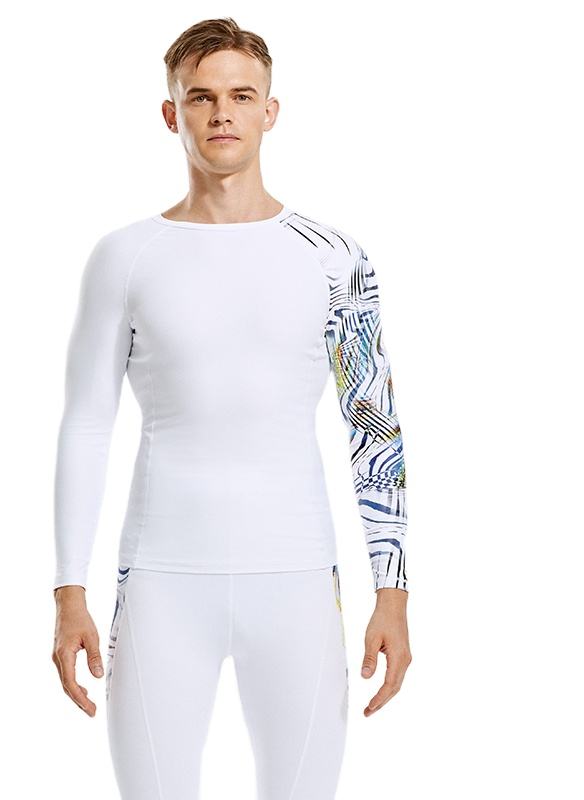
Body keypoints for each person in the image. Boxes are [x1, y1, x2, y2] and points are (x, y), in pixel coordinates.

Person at [50, 17, 412, 799]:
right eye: (202, 97)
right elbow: (86, 423)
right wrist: (69, 588)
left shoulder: (334, 257)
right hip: (161, 582)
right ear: (171, 113)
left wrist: (393, 589)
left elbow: (372, 424)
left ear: (270, 111)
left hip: (298, 579)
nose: (222, 113)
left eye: (242, 96)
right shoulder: (125, 257)